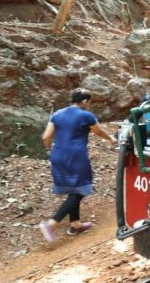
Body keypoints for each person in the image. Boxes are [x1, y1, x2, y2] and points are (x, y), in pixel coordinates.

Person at [39, 88, 116, 242]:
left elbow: (46, 137)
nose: (89, 105)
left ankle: (76, 224)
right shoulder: (85, 115)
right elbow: (99, 132)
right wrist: (112, 139)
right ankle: (52, 223)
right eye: (89, 102)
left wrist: (50, 151)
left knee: (73, 188)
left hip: (58, 155)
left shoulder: (57, 114)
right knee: (81, 189)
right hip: (76, 156)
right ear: (85, 101)